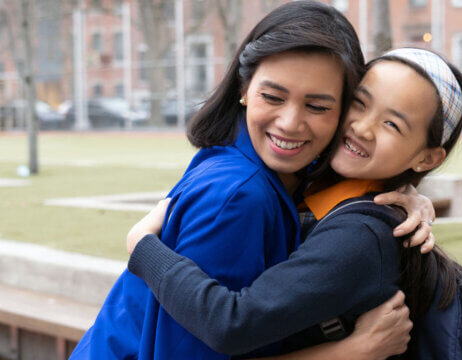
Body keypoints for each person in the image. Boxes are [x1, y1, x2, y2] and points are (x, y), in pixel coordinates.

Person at [126, 48, 462, 359]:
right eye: (358, 103)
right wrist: (412, 192)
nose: (362, 128)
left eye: (391, 123)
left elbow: (231, 325)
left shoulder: (360, 237)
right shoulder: (316, 181)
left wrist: (142, 244)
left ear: (426, 158)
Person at [70, 2, 433, 359]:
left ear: (341, 111)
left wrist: (402, 187)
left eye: (318, 106)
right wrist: (348, 353)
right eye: (272, 97)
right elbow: (216, 334)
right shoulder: (238, 198)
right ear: (243, 89)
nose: (290, 122)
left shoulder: (272, 169)